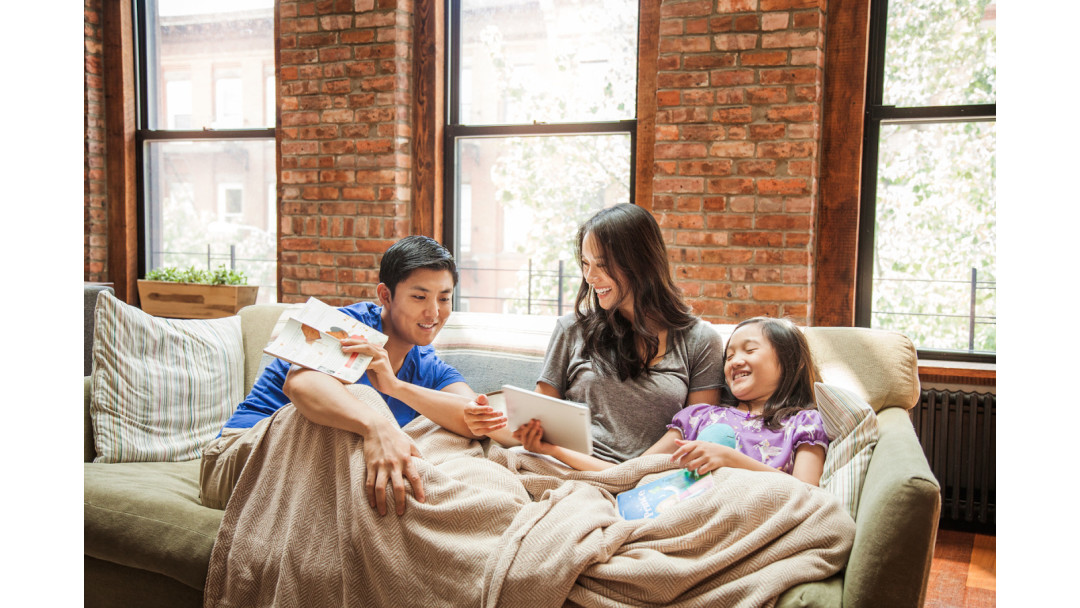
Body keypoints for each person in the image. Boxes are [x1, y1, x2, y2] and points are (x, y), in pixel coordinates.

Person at [200, 235, 478, 515]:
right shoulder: (344, 327)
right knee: (357, 402)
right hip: (237, 458)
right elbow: (301, 385)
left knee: (446, 441)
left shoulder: (428, 364)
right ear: (385, 296)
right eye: (419, 297)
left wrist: (395, 386)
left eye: (444, 298)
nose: (433, 312)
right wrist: (376, 427)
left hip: (312, 470)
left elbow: (476, 416)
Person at [464, 203, 725, 463]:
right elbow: (533, 424)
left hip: (646, 475)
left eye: (601, 264)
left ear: (641, 262)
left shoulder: (700, 341)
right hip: (562, 466)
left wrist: (625, 476)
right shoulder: (571, 329)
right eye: (586, 264)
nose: (589, 277)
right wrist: (486, 424)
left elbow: (696, 430)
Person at [513, 317, 830, 486]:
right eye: (729, 355)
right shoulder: (700, 417)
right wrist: (551, 450)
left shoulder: (804, 423)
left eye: (749, 350)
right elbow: (631, 474)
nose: (734, 361)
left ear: (789, 361)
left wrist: (729, 458)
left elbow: (807, 494)